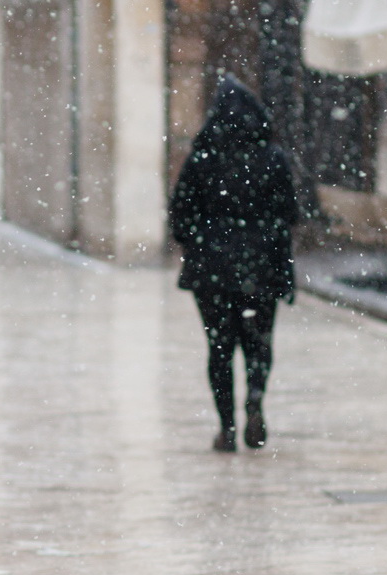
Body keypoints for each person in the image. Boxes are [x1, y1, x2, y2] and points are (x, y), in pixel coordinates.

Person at [169, 73, 299, 452]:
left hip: (212, 270)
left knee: (220, 348)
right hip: (261, 266)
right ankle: (255, 397)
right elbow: (290, 214)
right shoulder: (272, 159)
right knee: (259, 342)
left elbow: (180, 217)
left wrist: (202, 240)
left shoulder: (202, 159)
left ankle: (226, 426)